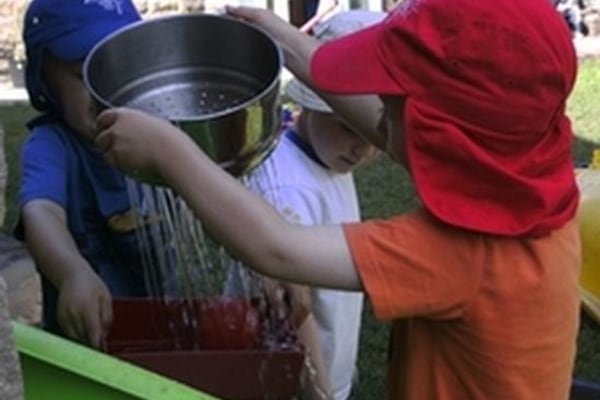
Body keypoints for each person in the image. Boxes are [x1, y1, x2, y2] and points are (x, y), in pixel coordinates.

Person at [94, 0, 582, 398]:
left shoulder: (465, 255)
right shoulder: (532, 180)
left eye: (393, 99)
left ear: (451, 138)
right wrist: (281, 40)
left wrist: (169, 148)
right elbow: (393, 131)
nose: (379, 113)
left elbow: (277, 248)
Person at [227, 11, 383, 399]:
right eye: (349, 126)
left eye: (375, 133)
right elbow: (292, 312)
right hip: (282, 380)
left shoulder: (328, 157)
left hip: (325, 365)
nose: (363, 149)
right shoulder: (285, 190)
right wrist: (322, 392)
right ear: (313, 103)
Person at [15, 0, 171, 348]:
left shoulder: (157, 138)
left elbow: (218, 188)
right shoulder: (51, 146)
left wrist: (259, 266)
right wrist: (72, 272)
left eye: (121, 67)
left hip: (168, 334)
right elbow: (42, 211)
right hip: (86, 344)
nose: (106, 87)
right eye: (83, 73)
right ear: (44, 79)